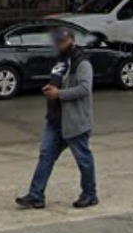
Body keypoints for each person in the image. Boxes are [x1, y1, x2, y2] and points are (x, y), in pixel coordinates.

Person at [17, 26, 97, 210]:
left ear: (72, 40)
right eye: (57, 41)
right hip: (55, 119)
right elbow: (58, 79)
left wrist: (59, 93)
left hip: (75, 121)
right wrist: (50, 88)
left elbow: (85, 89)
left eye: (63, 41)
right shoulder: (60, 60)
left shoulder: (81, 62)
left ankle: (90, 194)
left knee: (83, 159)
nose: (59, 44)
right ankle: (36, 196)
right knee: (46, 155)